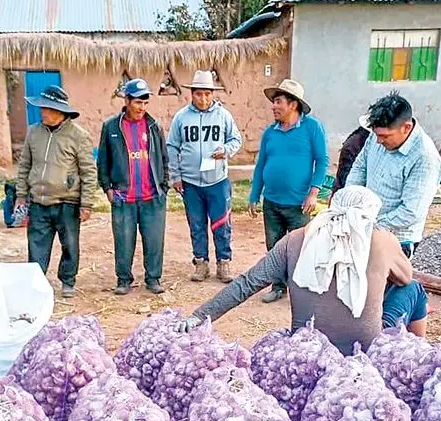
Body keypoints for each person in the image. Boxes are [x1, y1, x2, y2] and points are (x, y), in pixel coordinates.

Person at [176, 186, 426, 354]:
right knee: (416, 290)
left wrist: (197, 317)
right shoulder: (382, 239)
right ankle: (414, 354)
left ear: (331, 205)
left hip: (307, 349)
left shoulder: (295, 239)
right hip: (365, 351)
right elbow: (406, 278)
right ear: (370, 212)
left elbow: (246, 284)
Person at [248, 78, 330, 303]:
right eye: (274, 102)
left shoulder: (312, 128)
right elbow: (261, 164)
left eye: (278, 102)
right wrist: (255, 195)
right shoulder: (270, 132)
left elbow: (322, 161)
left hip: (299, 204)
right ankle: (278, 286)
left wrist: (313, 192)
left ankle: (300, 291)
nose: (273, 106)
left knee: (300, 249)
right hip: (272, 202)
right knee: (274, 248)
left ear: (293, 104)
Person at [14, 85, 98, 299]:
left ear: (60, 112)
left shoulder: (78, 136)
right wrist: (21, 195)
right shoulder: (34, 132)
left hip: (67, 202)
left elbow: (89, 171)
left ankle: (67, 280)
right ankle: (36, 283)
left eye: (47, 109)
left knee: (69, 244)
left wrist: (86, 204)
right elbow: (24, 165)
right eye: (42, 108)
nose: (42, 112)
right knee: (36, 245)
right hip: (39, 201)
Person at [346, 92, 441, 259]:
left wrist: (370, 224)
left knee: (380, 284)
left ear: (406, 127)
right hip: (364, 229)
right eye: (377, 135)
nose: (379, 141)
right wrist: (350, 201)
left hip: (396, 240)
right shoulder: (377, 136)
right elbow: (360, 167)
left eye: (385, 136)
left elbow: (411, 212)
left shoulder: (425, 157)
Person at [167, 70, 243, 284]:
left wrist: (226, 150)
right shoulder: (182, 117)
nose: (203, 99)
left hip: (217, 181)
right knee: (197, 224)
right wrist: (175, 176)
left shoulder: (223, 115)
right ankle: (201, 263)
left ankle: (223, 262)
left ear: (213, 94)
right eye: (199, 94)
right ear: (192, 94)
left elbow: (236, 139)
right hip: (191, 183)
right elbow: (172, 146)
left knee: (221, 223)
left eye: (207, 94)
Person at [97, 78, 170, 296]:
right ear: (127, 100)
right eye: (138, 102)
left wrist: (163, 186)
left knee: (154, 241)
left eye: (145, 103)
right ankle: (123, 279)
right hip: (123, 198)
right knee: (123, 241)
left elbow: (164, 159)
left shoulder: (153, 126)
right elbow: (103, 161)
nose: (142, 108)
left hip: (152, 197)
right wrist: (107, 189)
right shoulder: (111, 127)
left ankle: (153, 278)